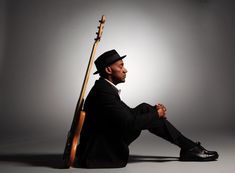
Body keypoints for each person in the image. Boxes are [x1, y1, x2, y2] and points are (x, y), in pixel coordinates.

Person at [75, 49, 219, 168]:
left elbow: (126, 115)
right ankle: (190, 148)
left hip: (106, 137)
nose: (125, 70)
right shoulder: (103, 92)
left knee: (145, 109)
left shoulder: (104, 87)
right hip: (100, 152)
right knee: (149, 114)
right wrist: (156, 114)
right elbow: (130, 123)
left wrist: (153, 112)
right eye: (120, 66)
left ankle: (189, 148)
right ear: (108, 69)